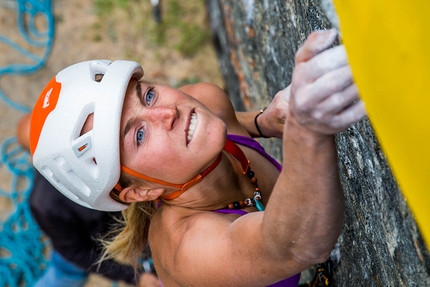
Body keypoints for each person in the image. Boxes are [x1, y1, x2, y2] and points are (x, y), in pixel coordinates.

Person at [29, 29, 366, 287]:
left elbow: (226, 122)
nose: (167, 112)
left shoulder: (203, 104)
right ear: (139, 192)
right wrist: (308, 133)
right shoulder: (189, 247)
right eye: (139, 135)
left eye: (147, 94)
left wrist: (266, 122)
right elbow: (294, 247)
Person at [16, 115, 160, 287]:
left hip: (131, 229)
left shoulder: (101, 150)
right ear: (37, 161)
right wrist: (135, 277)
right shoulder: (45, 205)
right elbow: (78, 253)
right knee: (65, 274)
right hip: (86, 245)